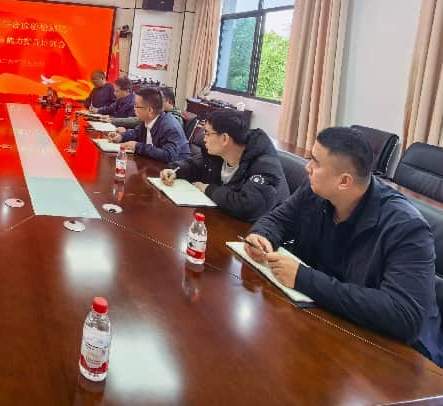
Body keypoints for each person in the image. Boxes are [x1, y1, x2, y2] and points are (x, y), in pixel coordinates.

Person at [244, 127, 443, 365]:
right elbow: (279, 219)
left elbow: (404, 315)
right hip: (330, 321)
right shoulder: (315, 191)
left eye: (316, 162)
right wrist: (263, 236)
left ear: (344, 181)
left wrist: (303, 278)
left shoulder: (406, 227)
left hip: (395, 356)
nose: (307, 167)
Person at [160, 110, 288, 221]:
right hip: (223, 218)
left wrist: (208, 189)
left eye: (207, 133)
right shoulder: (219, 152)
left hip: (259, 232)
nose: (204, 138)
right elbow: (196, 165)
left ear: (225, 139)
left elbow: (248, 206)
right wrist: (175, 171)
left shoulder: (265, 163)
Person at [107, 87, 191, 163]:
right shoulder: (148, 120)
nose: (134, 109)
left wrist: (138, 146)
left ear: (150, 110)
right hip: (153, 164)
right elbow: (136, 133)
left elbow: (169, 155)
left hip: (173, 170)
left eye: (137, 106)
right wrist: (121, 136)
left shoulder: (170, 126)